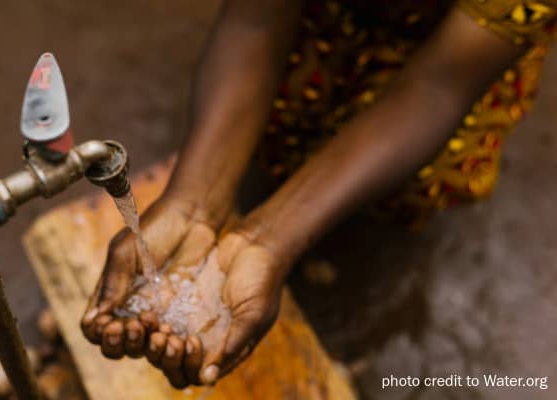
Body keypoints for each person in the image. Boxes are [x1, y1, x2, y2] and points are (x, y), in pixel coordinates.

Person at [81, 0, 557, 389]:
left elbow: (437, 85)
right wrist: (194, 202)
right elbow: (256, 20)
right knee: (282, 124)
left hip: (458, 47)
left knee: (413, 179)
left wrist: (271, 239)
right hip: (321, 21)